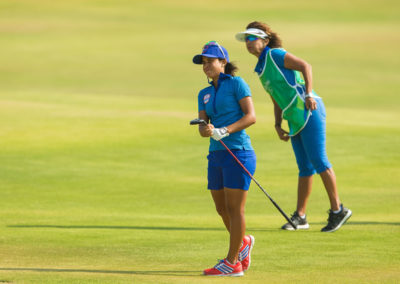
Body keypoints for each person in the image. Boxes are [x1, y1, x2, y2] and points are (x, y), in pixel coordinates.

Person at [235, 22, 352, 232]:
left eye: (253, 38)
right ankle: (301, 216)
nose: (249, 43)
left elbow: (305, 66)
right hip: (294, 117)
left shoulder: (275, 54)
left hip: (309, 110)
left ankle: (338, 210)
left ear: (265, 40)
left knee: (319, 160)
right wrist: (277, 124)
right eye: (246, 40)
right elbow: (276, 98)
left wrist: (308, 94)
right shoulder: (260, 68)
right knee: (305, 168)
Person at [192, 41, 256, 276]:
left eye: (210, 61)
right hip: (216, 154)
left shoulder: (237, 84)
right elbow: (202, 128)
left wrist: (225, 130)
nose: (206, 65)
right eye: (204, 62)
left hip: (239, 152)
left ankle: (233, 263)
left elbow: (251, 116)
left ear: (223, 63)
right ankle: (244, 242)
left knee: (235, 208)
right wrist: (208, 130)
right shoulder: (204, 94)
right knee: (221, 209)